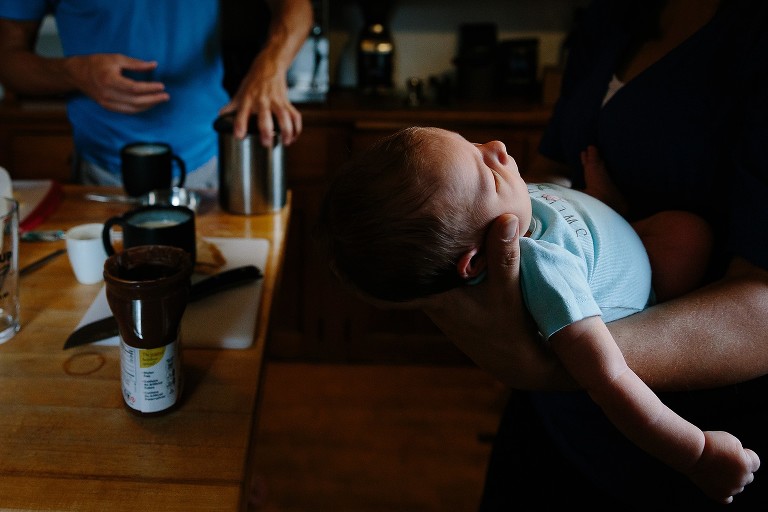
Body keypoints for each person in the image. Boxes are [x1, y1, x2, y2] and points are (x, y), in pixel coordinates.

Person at [404, 1, 768, 510]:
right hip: (554, 417)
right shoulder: (612, 16)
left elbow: (758, 304)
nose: (498, 146)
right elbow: (554, 165)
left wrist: (548, 359)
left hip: (692, 430)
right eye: (482, 165)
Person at [317, 125, 757, 504]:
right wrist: (696, 453)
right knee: (689, 237)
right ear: (477, 260)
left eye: (473, 145)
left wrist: (596, 203)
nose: (497, 148)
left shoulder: (495, 211)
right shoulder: (546, 272)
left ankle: (610, 214)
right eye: (488, 174)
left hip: (623, 230)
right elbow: (612, 380)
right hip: (645, 275)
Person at [0, 0, 312, 188]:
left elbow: (297, 6)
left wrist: (271, 66)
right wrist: (73, 73)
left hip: (210, 162)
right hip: (101, 170)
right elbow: (7, 57)